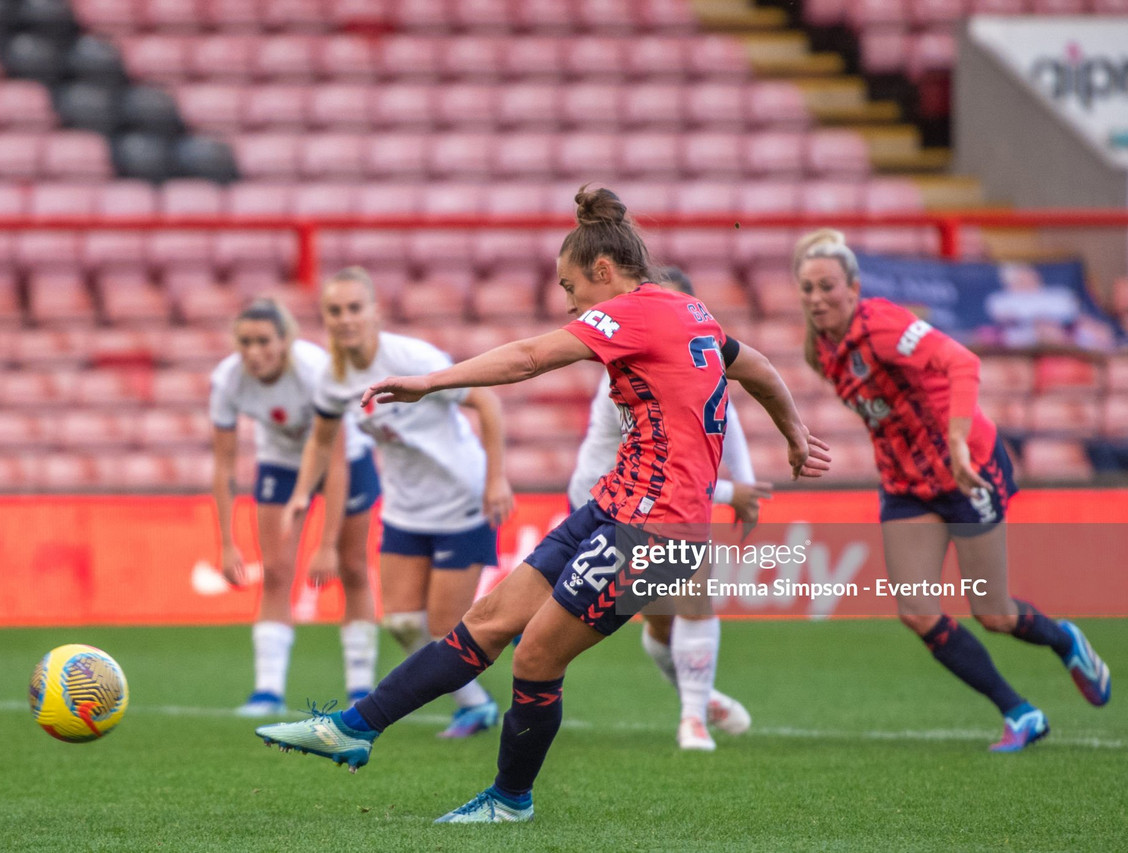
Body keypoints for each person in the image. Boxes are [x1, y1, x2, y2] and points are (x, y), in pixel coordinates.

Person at [255, 187, 830, 822]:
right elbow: (761, 370)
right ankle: (355, 727)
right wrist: (794, 433)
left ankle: (510, 800)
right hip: (611, 509)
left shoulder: (633, 311)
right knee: (488, 622)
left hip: (654, 531)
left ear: (603, 272)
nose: (569, 303)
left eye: (570, 286)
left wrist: (431, 380)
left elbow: (530, 357)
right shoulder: (691, 312)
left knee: (535, 654)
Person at [795, 228, 1111, 752]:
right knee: (917, 611)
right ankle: (1021, 712)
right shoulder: (822, 350)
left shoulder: (883, 326)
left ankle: (1064, 639)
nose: (816, 298)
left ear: (853, 288)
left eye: (827, 286)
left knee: (993, 613)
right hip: (905, 483)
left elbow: (962, 362)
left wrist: (958, 441)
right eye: (807, 289)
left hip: (966, 469)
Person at [283, 266, 514, 739]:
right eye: (335, 311)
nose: (345, 319)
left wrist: (496, 479)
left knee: (444, 627)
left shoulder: (412, 356)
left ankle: (482, 695)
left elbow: (486, 403)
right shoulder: (333, 376)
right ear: (325, 319)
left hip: (461, 500)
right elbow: (321, 441)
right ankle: (476, 705)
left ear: (374, 312)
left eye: (354, 308)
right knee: (403, 622)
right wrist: (303, 493)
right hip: (405, 507)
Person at [566, 265, 770, 751]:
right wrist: (728, 494)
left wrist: (741, 484)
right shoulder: (628, 375)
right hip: (606, 503)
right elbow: (638, 464)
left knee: (693, 593)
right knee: (659, 619)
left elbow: (726, 420)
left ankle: (693, 719)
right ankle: (698, 696)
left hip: (667, 502)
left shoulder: (698, 367)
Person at [210, 298, 382, 717]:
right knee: (276, 571)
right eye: (245, 342)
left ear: (285, 341)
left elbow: (335, 460)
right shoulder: (228, 380)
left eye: (264, 341)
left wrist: (325, 544)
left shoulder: (315, 370)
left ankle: (361, 689)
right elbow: (223, 465)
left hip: (347, 458)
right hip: (282, 461)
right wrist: (227, 543)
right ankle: (267, 692)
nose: (254, 352)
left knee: (353, 567)